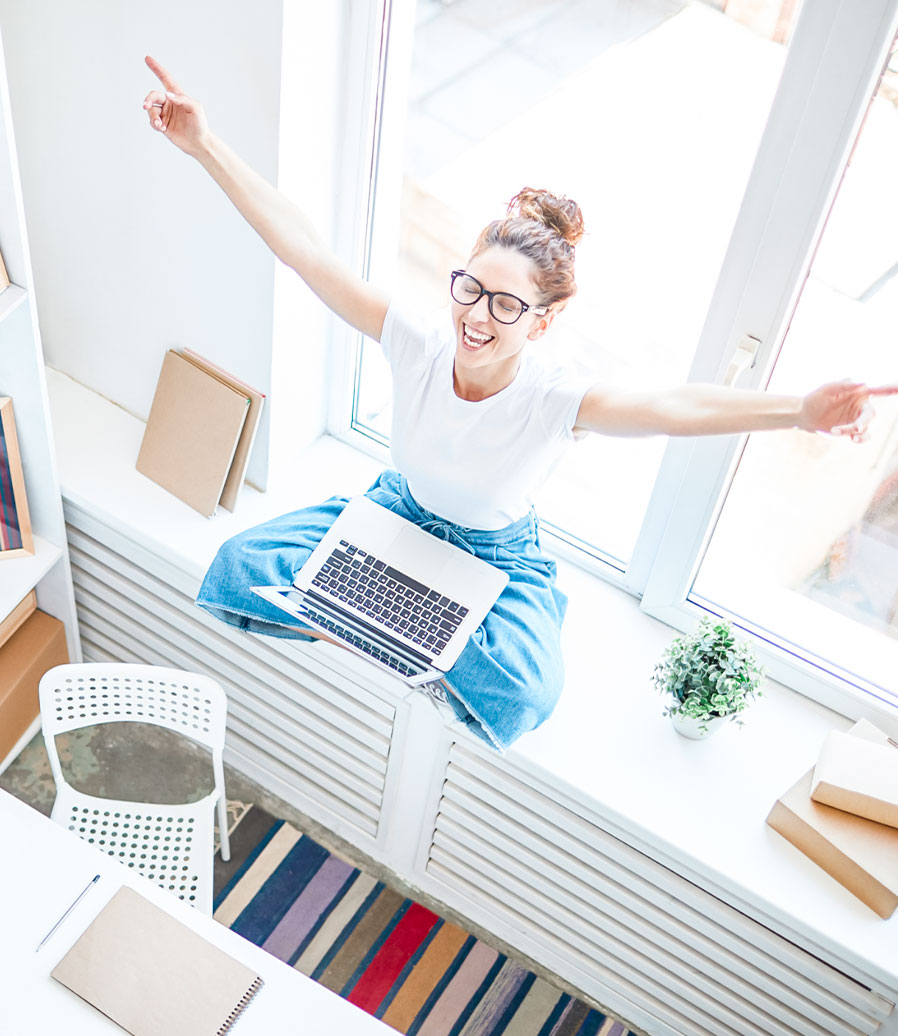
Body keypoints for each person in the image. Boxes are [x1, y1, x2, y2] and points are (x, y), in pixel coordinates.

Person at [142, 56, 897, 751]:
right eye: (470, 289)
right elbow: (304, 249)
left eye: (507, 305)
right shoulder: (418, 338)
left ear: (544, 320)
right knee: (241, 565)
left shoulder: (554, 396)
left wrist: (798, 410)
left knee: (524, 692)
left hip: (492, 554)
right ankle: (387, 633)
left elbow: (676, 407)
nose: (477, 318)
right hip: (399, 514)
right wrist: (205, 146)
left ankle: (385, 633)